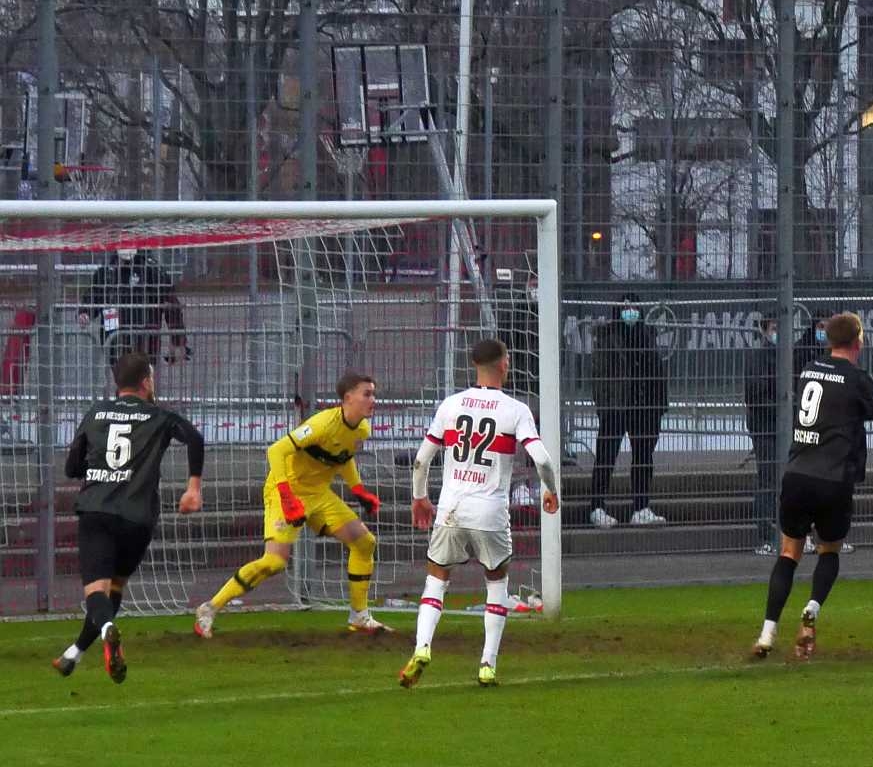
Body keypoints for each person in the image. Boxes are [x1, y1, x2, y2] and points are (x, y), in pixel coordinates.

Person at [750, 312, 873, 661]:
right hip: (834, 480)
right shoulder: (859, 378)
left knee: (788, 553)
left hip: (797, 475)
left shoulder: (809, 370)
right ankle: (812, 610)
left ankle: (767, 632)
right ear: (858, 341)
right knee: (829, 551)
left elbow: (849, 408)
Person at [400, 339, 561, 688]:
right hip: (490, 512)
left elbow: (421, 460)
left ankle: (422, 647)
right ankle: (487, 664)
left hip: (451, 508)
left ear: (474, 364)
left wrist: (419, 498)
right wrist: (550, 489)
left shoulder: (451, 405)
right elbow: (543, 459)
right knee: (496, 581)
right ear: (504, 364)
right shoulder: (515, 410)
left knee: (436, 578)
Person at [195, 373, 388, 637]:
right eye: (367, 394)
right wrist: (287, 497)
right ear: (348, 398)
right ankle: (209, 608)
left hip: (318, 494)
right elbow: (276, 450)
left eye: (373, 394)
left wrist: (358, 490)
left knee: (364, 542)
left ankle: (360, 617)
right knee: (274, 562)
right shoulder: (321, 424)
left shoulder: (362, 429)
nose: (373, 399)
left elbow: (344, 457)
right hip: (284, 490)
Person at [53, 352, 204, 681]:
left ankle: (107, 628)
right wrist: (193, 488)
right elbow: (194, 437)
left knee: (97, 592)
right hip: (138, 518)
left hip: (97, 511)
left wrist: (95, 467)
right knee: (115, 587)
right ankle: (75, 653)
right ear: (146, 382)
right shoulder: (159, 415)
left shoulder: (96, 413)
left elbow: (72, 467)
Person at [589, 294, 669, 527]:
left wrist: (659, 406)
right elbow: (599, 376)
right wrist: (605, 407)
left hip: (644, 407)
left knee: (643, 459)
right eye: (626, 307)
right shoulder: (607, 338)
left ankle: (641, 507)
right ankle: (596, 507)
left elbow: (658, 372)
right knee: (606, 458)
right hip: (616, 407)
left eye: (634, 306)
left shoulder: (647, 336)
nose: (630, 311)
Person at [78, 249, 189, 370]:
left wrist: (178, 340)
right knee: (121, 374)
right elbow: (94, 295)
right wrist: (85, 312)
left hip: (145, 341)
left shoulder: (153, 270)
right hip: (114, 339)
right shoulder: (106, 272)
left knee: (141, 375)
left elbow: (171, 304)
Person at [743, 315, 780, 555]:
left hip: (784, 426)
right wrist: (781, 407)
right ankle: (766, 536)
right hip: (765, 426)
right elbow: (755, 394)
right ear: (765, 330)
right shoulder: (758, 358)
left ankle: (787, 534)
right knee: (767, 478)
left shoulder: (787, 356)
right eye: (775, 328)